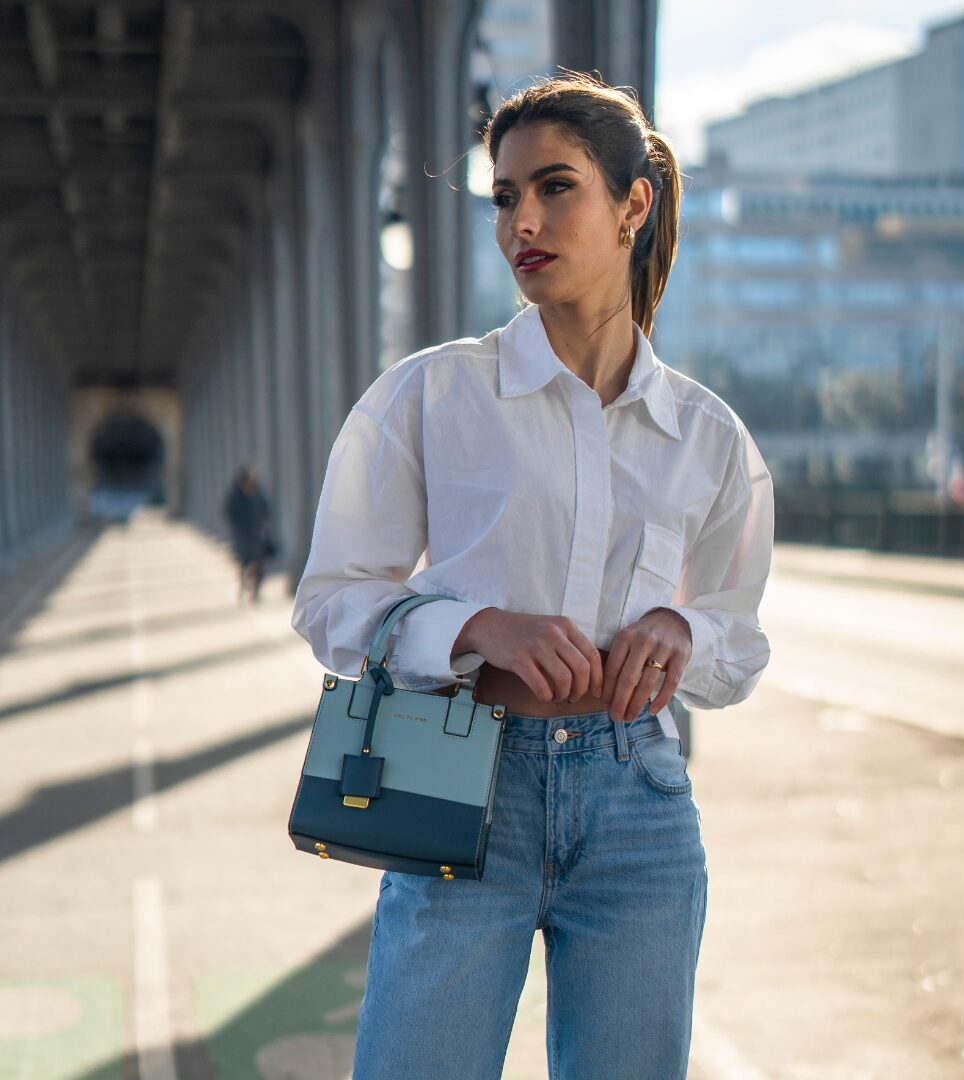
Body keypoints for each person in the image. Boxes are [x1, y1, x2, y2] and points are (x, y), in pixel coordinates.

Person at [290, 72, 774, 1080]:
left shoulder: (709, 436)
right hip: (464, 776)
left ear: (633, 204)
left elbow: (738, 638)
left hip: (639, 800)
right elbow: (333, 601)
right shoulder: (431, 394)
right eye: (506, 196)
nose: (524, 221)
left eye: (557, 188)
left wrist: (685, 633)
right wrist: (474, 628)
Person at [223, 465, 275, 604]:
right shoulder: (236, 496)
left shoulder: (258, 494)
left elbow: (266, 510)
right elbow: (229, 512)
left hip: (256, 537)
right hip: (242, 537)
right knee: (243, 564)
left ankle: (255, 591)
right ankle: (242, 587)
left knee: (259, 565)